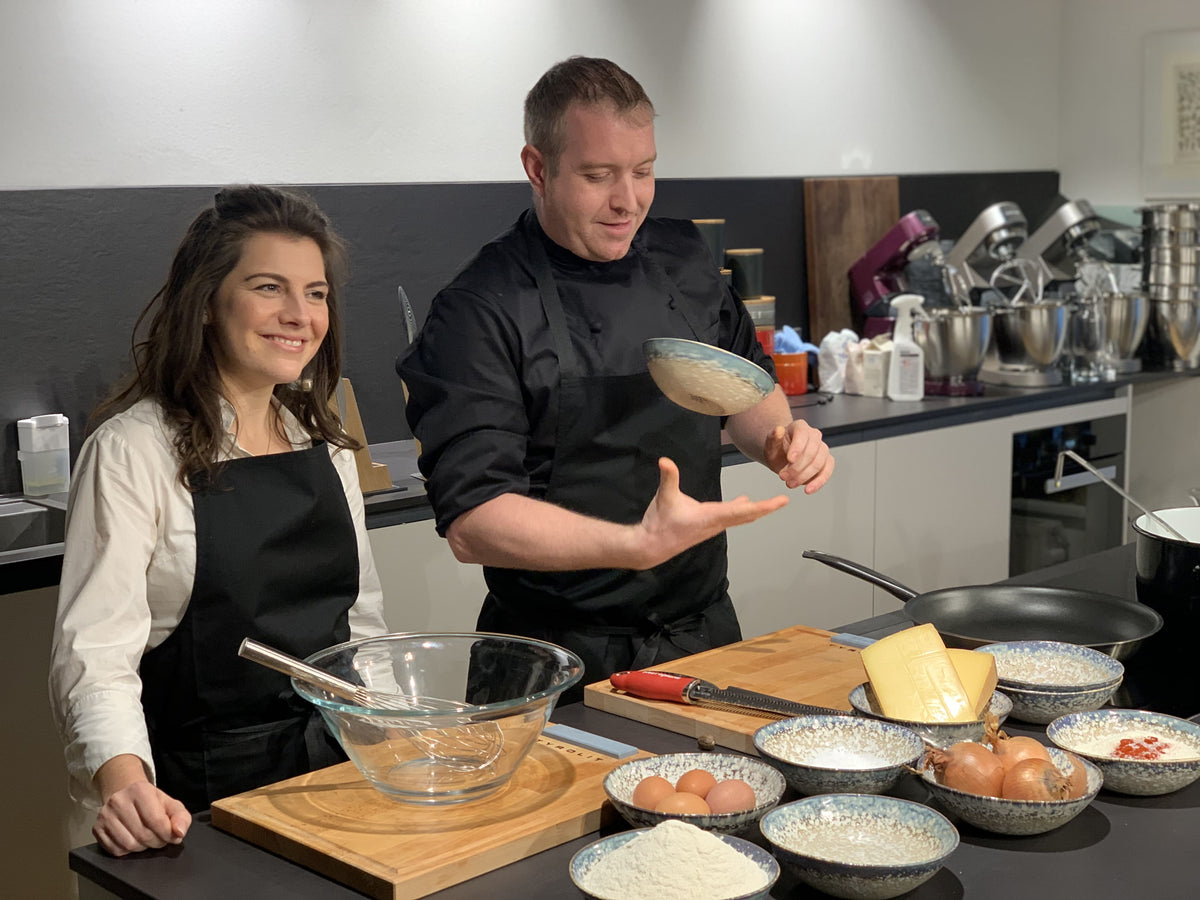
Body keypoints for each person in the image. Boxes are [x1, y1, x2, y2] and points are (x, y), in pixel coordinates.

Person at [399, 57, 834, 697]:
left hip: (701, 639)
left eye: (643, 171)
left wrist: (782, 441)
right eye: (598, 175)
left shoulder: (682, 258)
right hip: (550, 663)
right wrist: (636, 543)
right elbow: (475, 521)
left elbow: (747, 387)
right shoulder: (480, 309)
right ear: (538, 168)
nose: (626, 200)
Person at [49, 185, 388, 857]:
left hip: (336, 780)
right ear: (206, 301)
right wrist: (125, 787)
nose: (299, 315)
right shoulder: (133, 451)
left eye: (316, 293)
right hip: (198, 805)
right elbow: (94, 659)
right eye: (270, 287)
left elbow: (362, 627)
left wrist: (396, 734)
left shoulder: (327, 448)